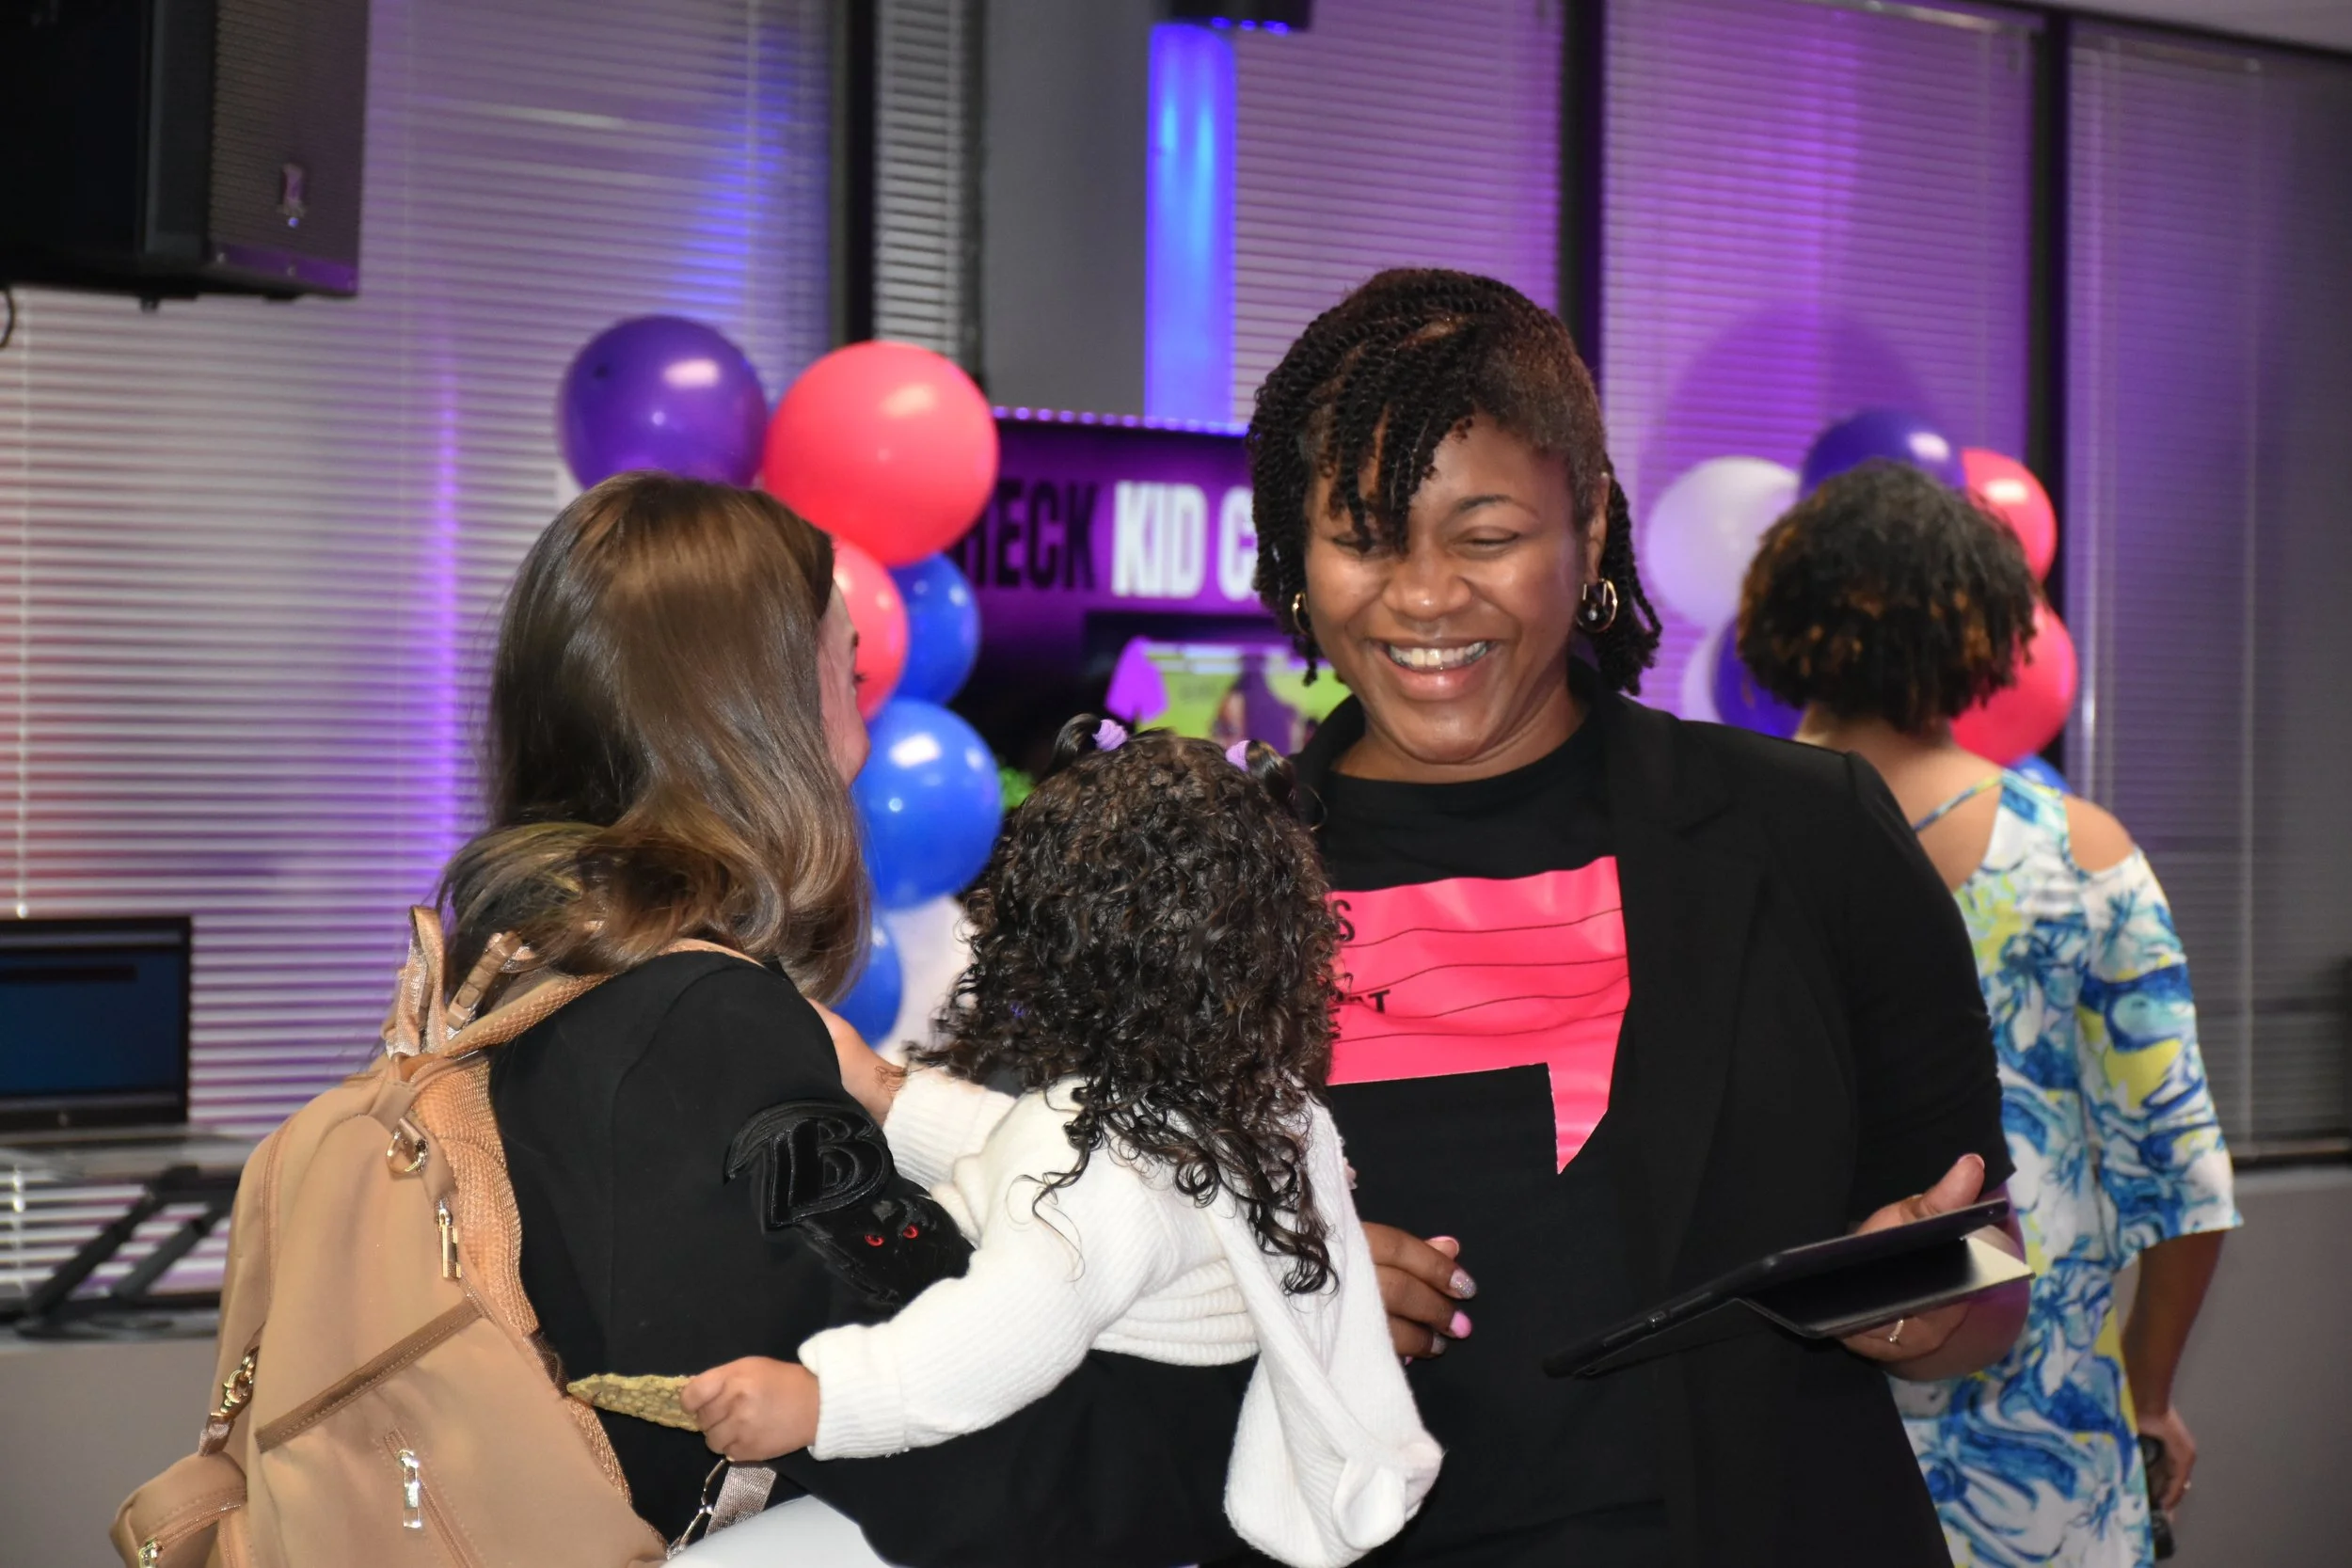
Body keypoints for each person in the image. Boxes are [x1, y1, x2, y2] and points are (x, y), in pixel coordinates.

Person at [1229, 268, 2032, 1568]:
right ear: (1294, 550)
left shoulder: (1809, 831)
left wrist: (1924, 1306)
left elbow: (1982, 1267)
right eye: (1364, 538)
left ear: (1589, 523)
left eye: (1485, 534)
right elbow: (1083, 1290)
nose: (1424, 596)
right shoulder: (1205, 890)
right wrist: (1257, 1303)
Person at [457, 473, 1253, 1563]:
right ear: (756, 708)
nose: (863, 738)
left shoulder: (511, 978)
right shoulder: (706, 1026)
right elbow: (944, 1426)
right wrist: (1265, 1386)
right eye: (851, 675)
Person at [680, 718, 1441, 1568]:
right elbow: (1037, 1155)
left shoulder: (1101, 1165)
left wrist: (825, 1399)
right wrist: (885, 1093)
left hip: (1065, 1471)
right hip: (1175, 1471)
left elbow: (1008, 1326)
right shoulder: (1257, 1108)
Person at [1736, 460, 2239, 1568]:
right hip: (2039, 1427)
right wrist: (2147, 1395)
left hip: (1774, 1414)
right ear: (1982, 634)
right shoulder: (2078, 856)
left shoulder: (1717, 846)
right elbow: (2181, 1175)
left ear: (1780, 618)